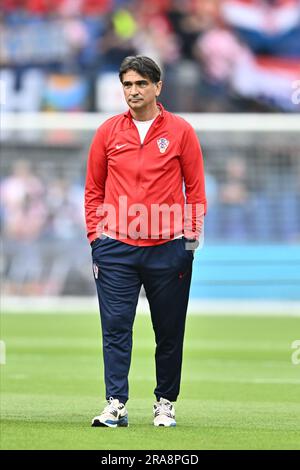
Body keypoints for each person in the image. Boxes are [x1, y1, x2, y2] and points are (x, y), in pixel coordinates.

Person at [84, 55, 207, 428]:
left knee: (168, 330)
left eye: (140, 84)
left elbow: (196, 192)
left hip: (169, 248)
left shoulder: (181, 131)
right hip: (116, 249)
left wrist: (189, 242)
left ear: (157, 87)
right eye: (127, 84)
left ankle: (165, 402)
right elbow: (93, 190)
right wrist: (97, 239)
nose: (133, 91)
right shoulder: (107, 132)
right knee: (116, 327)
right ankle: (115, 404)